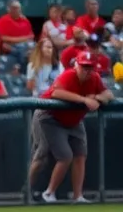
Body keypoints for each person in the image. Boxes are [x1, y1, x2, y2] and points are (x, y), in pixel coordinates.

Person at [30, 50, 114, 203]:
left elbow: (109, 94)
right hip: (50, 117)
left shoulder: (94, 78)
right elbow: (56, 93)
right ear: (77, 65)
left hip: (73, 120)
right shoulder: (69, 75)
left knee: (80, 155)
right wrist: (84, 100)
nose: (86, 71)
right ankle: (36, 191)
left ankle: (78, 196)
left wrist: (96, 97)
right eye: (83, 67)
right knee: (50, 156)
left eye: (90, 67)